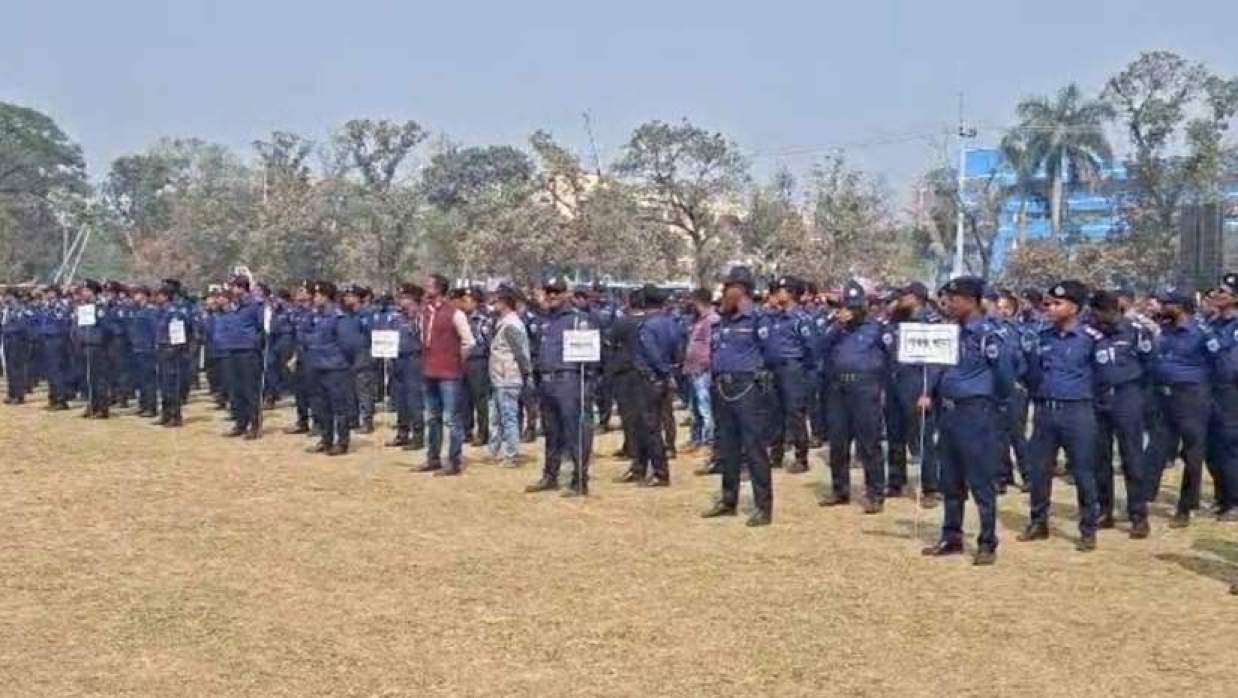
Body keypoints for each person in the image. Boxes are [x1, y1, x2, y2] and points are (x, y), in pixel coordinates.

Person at [920, 276, 1013, 565]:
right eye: (947, 298)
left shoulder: (988, 334)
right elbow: (937, 368)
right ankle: (951, 536)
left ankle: (987, 541)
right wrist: (929, 394)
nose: (948, 303)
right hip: (947, 411)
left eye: (955, 298)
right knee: (950, 478)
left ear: (972, 301)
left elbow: (1004, 375)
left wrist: (989, 401)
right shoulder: (949, 332)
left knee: (981, 479)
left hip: (976, 411)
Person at [1018, 281, 1104, 551]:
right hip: (1046, 410)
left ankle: (1088, 528)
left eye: (1058, 304)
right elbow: (1030, 372)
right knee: (1040, 470)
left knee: (1083, 472)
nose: (1051, 308)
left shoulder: (1091, 339)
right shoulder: (1042, 337)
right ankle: (1038, 521)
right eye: (1049, 304)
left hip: (1077, 411)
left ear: (1075, 308)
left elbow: (1103, 378)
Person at [1144, 287, 1229, 526]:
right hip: (1164, 396)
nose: (1160, 307)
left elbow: (1220, 365)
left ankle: (1185, 506)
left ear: (1180, 307)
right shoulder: (1165, 330)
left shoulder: (1202, 333)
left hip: (1192, 397)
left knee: (1193, 454)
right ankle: (1143, 497)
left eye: (1166, 304)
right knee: (1156, 448)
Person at [700, 267, 774, 527]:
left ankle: (763, 506)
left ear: (741, 291)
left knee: (754, 448)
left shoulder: (757, 320)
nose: (723, 293)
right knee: (727, 447)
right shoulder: (722, 321)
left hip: (748, 388)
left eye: (728, 287)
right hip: (722, 387)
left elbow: (771, 354)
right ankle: (728, 499)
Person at [817, 281, 891, 513]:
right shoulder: (836, 328)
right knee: (838, 443)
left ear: (865, 306)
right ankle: (840, 490)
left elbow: (891, 358)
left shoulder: (877, 328)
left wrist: (882, 387)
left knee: (869, 443)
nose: (850, 310)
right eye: (847, 306)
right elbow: (818, 347)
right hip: (838, 389)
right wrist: (837, 326)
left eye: (855, 306)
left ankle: (875, 493)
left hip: (865, 389)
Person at [525, 276, 600, 496]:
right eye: (548, 292)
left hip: (569, 380)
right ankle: (550, 475)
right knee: (551, 432)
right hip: (546, 381)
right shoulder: (542, 321)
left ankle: (579, 479)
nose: (551, 296)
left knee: (574, 431)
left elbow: (592, 359)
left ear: (566, 293)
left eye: (556, 292)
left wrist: (587, 386)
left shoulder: (579, 320)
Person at [1089, 290, 1154, 538]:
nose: (1100, 317)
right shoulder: (1091, 333)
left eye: (1104, 312)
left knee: (1132, 458)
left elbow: (1150, 363)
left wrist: (1140, 396)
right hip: (1099, 398)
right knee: (1100, 459)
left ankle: (1138, 514)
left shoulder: (1136, 330)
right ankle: (1104, 510)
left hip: (1128, 396)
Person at [882, 282, 943, 504]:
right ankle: (896, 482)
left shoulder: (931, 322)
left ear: (917, 297)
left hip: (918, 383)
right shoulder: (896, 321)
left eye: (904, 296)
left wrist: (928, 391)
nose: (900, 300)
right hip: (894, 383)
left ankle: (930, 488)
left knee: (924, 438)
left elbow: (936, 361)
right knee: (895, 434)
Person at [616, 285, 679, 487]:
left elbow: (651, 353)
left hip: (648, 379)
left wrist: (661, 370)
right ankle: (640, 468)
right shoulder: (671, 323)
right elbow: (678, 350)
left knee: (648, 427)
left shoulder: (647, 326)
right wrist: (670, 372)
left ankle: (660, 472)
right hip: (662, 379)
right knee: (652, 424)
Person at [417, 274, 476, 475]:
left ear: (439, 288)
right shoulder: (424, 312)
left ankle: (454, 461)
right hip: (428, 371)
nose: (426, 288)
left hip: (449, 373)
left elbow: (469, 341)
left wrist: (456, 361)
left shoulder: (455, 313)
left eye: (430, 285)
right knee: (432, 417)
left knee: (451, 419)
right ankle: (433, 458)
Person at [764, 276, 815, 474]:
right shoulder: (774, 317)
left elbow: (811, 348)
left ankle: (801, 457)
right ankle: (775, 454)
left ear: (792, 293)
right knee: (775, 412)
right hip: (775, 368)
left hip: (793, 367)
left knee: (795, 413)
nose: (778, 293)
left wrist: (803, 370)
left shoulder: (801, 319)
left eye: (782, 290)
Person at [304, 281, 353, 456]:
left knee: (339, 407)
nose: (314, 298)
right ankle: (326, 440)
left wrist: (341, 361)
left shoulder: (339, 316)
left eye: (317, 295)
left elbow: (348, 344)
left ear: (326, 296)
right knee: (321, 406)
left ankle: (342, 442)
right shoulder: (315, 315)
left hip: (335, 367)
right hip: (317, 365)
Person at [1204, 274, 1238, 521]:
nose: (1217, 295)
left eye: (1223, 292)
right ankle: (1222, 497)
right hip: (1209, 389)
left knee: (1230, 446)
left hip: (1231, 391)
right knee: (1212, 447)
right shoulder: (1212, 323)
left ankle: (1235, 501)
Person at [485, 286, 531, 466]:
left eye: (496, 301)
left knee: (509, 417)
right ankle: (494, 451)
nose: (493, 304)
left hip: (508, 377)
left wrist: (525, 372)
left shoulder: (512, 324)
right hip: (499, 376)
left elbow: (521, 352)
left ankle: (512, 454)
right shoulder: (501, 321)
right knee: (496, 417)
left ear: (505, 303)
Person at [215, 276, 264, 439]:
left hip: (248, 352)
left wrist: (254, 343)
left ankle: (254, 425)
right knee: (236, 389)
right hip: (232, 350)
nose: (232, 291)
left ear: (242, 288)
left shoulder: (255, 305)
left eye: (235, 287)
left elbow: (262, 328)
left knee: (250, 390)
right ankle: (240, 423)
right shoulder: (233, 306)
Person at [378, 283, 426, 451]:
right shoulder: (394, 317)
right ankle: (402, 433)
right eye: (400, 297)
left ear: (414, 299)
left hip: (414, 360)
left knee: (414, 400)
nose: (401, 301)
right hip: (395, 360)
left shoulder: (421, 316)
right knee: (400, 399)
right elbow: (385, 334)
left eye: (405, 298)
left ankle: (418, 436)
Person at [683, 288, 718, 454]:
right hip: (693, 369)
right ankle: (696, 438)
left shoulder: (711, 320)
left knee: (706, 408)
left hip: (703, 371)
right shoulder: (697, 321)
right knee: (694, 408)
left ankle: (708, 441)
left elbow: (712, 345)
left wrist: (705, 365)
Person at [153, 280, 192, 427]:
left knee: (171, 385)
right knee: (163, 384)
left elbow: (178, 336)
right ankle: (166, 414)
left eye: (160, 295)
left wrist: (172, 350)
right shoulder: (161, 311)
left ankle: (175, 416)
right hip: (162, 350)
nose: (157, 298)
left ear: (166, 296)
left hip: (171, 352)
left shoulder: (174, 312)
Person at [459, 287, 493, 447]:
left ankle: (483, 433)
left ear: (476, 302)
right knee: (464, 399)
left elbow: (489, 343)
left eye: (468, 301)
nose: (464, 304)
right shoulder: (460, 319)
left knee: (480, 399)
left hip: (478, 362)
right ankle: (466, 431)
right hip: (462, 362)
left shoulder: (483, 321)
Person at [126, 285, 159, 418]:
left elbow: (155, 330)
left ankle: (151, 407)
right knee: (140, 380)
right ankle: (143, 404)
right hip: (137, 348)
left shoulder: (150, 311)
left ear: (144, 295)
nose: (135, 297)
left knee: (149, 380)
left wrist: (154, 347)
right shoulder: (137, 311)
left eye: (137, 294)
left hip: (147, 349)